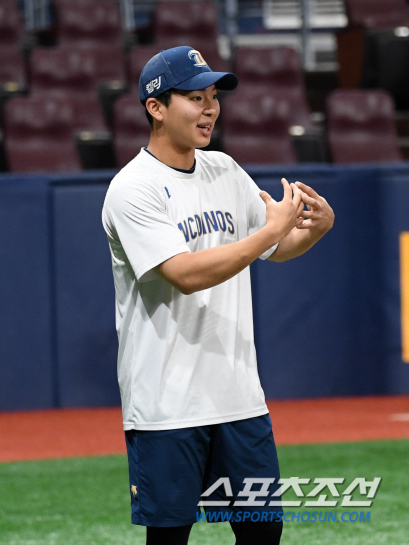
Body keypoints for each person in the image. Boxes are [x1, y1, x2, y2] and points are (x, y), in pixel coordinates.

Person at [101, 47, 334, 545]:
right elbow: (182, 273)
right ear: (156, 107)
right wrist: (267, 232)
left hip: (238, 398)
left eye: (213, 97)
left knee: (263, 532)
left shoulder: (224, 170)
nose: (210, 108)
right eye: (194, 97)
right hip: (168, 404)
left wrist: (314, 230)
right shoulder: (132, 188)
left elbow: (276, 245)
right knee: (170, 537)